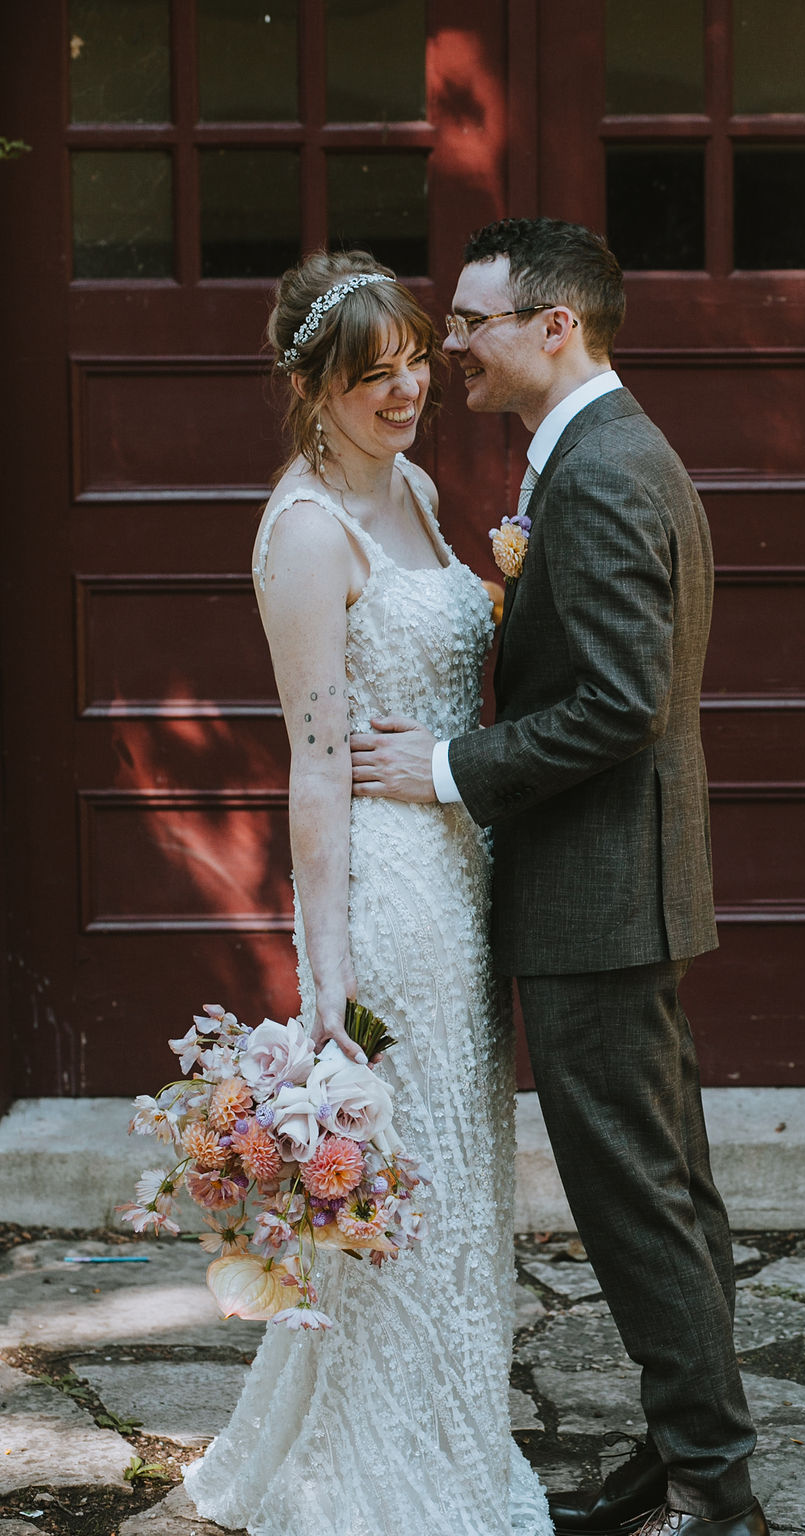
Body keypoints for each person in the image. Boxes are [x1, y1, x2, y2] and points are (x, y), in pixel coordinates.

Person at [350, 219, 769, 1536]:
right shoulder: (598, 452)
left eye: (472, 322)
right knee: (670, 1194)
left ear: (555, 328)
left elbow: (617, 704)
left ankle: (713, 1491)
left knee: (639, 1203)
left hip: (600, 901)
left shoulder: (598, 472)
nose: (450, 345)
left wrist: (448, 767)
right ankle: (688, 1455)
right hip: (623, 891)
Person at [182, 248, 553, 1536]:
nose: (410, 392)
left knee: (462, 1172)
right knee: (410, 1178)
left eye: (414, 365)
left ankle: (453, 1425)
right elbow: (316, 761)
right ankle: (382, 1476)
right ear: (310, 386)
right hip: (389, 896)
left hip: (463, 865)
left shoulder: (414, 487)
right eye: (374, 376)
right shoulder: (305, 533)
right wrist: (324, 965)